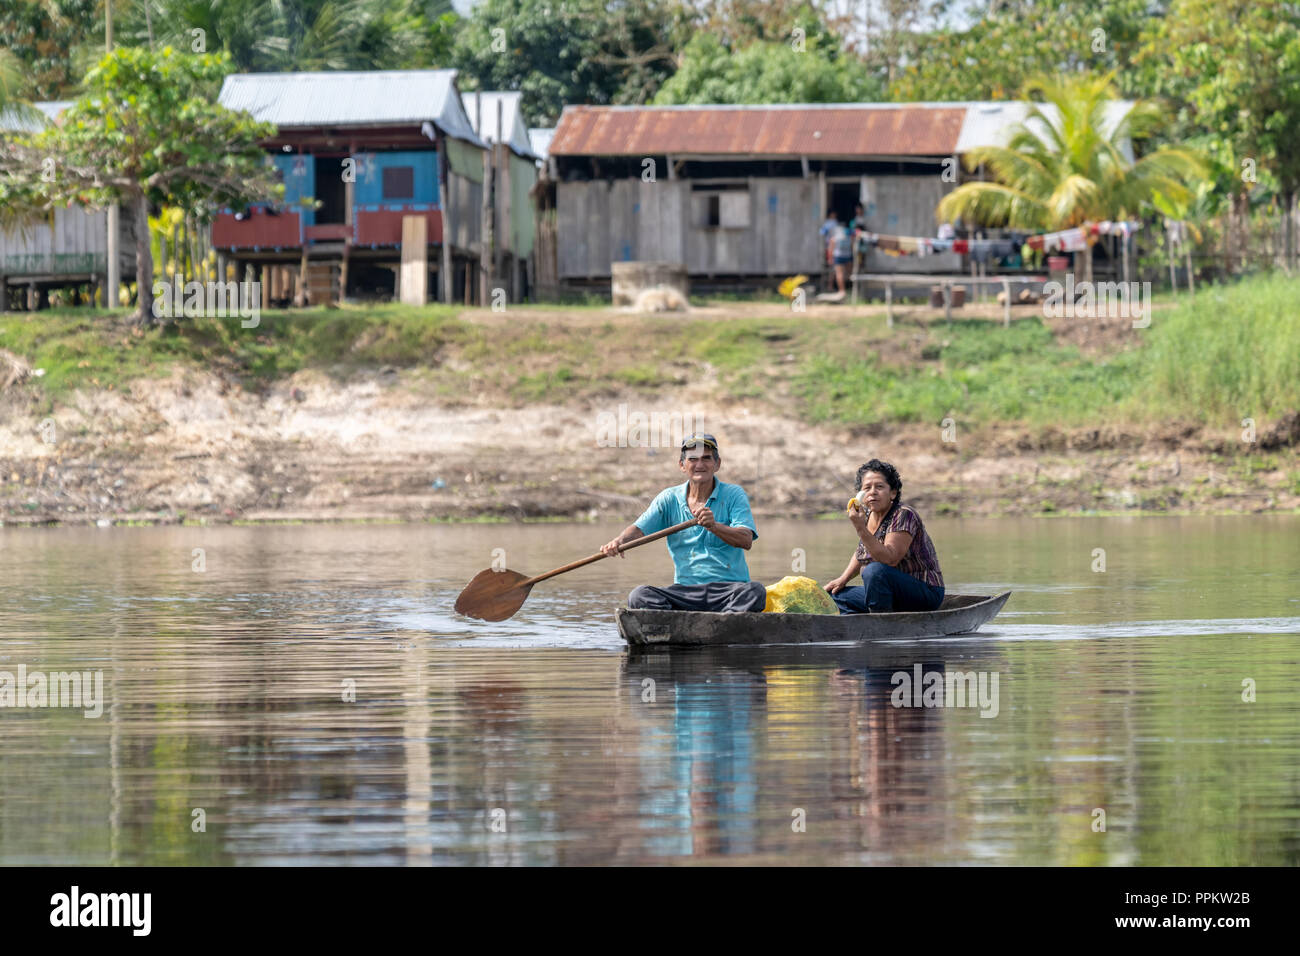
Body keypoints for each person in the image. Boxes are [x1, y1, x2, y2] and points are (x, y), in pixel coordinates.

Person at [602, 434, 765, 613]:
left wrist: (714, 526)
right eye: (693, 459)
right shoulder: (669, 498)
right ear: (682, 465)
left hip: (729, 592)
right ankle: (683, 623)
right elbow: (639, 529)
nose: (700, 465)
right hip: (685, 593)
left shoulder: (734, 494)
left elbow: (746, 540)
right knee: (639, 595)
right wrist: (619, 541)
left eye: (706, 458)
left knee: (755, 591)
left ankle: (724, 622)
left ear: (717, 464)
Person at [824, 459, 945, 613]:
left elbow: (890, 559)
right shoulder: (867, 515)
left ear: (893, 493)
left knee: (874, 571)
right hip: (890, 593)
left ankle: (879, 621)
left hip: (924, 592)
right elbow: (862, 553)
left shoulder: (903, 514)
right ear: (860, 494)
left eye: (879, 487)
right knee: (833, 597)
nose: (873, 492)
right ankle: (870, 616)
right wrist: (842, 580)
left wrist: (860, 528)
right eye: (867, 488)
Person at [828, 220, 853, 294]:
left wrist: (830, 258)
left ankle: (842, 291)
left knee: (839, 274)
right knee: (849, 273)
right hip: (847, 256)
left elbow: (831, 248)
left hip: (838, 256)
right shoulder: (848, 235)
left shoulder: (835, 237)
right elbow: (851, 246)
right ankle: (851, 289)